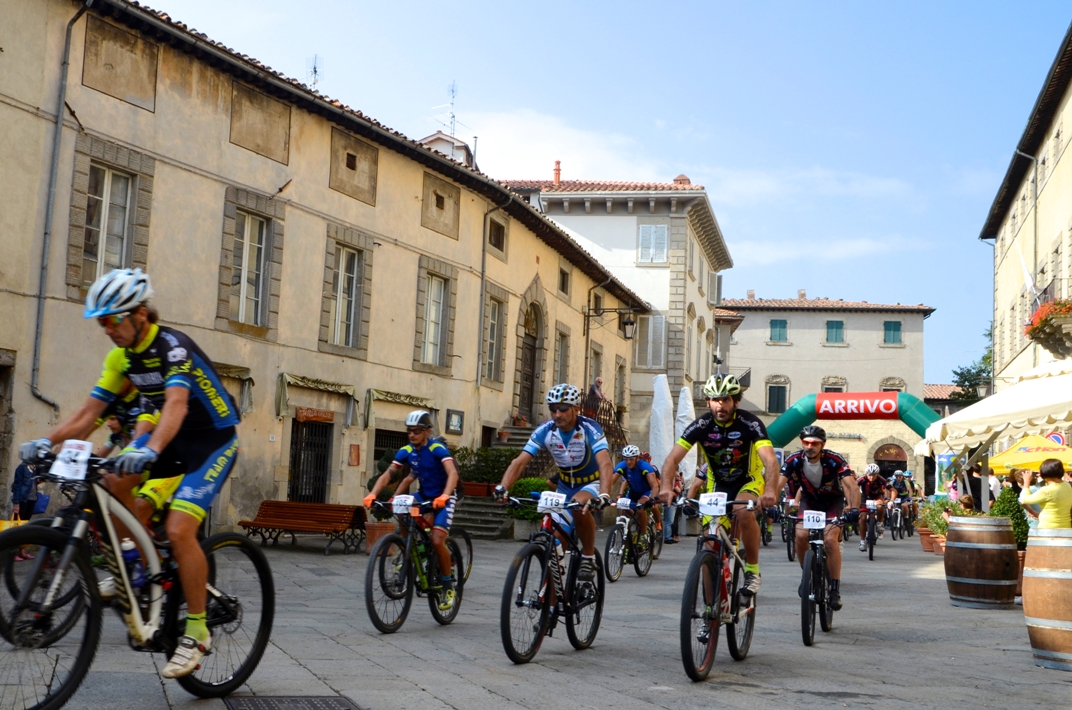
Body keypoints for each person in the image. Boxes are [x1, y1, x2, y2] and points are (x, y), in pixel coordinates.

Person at [18, 268, 240, 679]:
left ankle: (196, 631)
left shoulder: (174, 347)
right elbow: (89, 414)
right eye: (101, 321)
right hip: (168, 440)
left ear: (140, 313)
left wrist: (150, 449)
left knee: (178, 530)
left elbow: (175, 404)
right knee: (110, 485)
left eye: (112, 319)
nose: (106, 329)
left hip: (211, 442)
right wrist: (47, 441)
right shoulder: (121, 357)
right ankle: (136, 565)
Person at [661, 373, 780, 596]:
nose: (720, 405)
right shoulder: (701, 425)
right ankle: (709, 612)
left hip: (748, 481)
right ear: (708, 402)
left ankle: (753, 570)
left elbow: (770, 460)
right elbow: (672, 460)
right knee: (709, 546)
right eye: (715, 400)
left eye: (725, 399)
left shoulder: (750, 423)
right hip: (717, 486)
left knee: (742, 510)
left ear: (736, 401)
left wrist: (771, 490)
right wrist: (666, 487)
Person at [495, 384, 613, 582]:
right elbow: (520, 462)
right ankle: (552, 607)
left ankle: (589, 555)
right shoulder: (545, 430)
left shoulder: (590, 428)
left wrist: (604, 494)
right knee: (554, 552)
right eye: (553, 409)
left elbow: (605, 463)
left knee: (578, 505)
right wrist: (503, 487)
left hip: (590, 483)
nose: (557, 414)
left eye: (563, 409)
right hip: (564, 486)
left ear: (576, 409)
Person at [365, 410, 460, 610]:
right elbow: (388, 474)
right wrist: (374, 494)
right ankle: (408, 545)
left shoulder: (437, 448)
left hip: (444, 496)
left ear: (427, 432)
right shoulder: (407, 451)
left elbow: (452, 473)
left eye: (416, 431)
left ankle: (447, 584)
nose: (412, 434)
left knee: (436, 540)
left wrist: (444, 495)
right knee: (400, 506)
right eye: (409, 431)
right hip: (424, 495)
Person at [780, 426, 860, 611]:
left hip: (832, 502)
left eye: (814, 443)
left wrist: (854, 508)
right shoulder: (794, 459)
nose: (810, 446)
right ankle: (806, 576)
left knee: (830, 541)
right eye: (806, 443)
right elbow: (779, 482)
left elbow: (852, 486)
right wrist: (768, 503)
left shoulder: (834, 459)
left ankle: (834, 588)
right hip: (810, 501)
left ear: (822, 445)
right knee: (800, 536)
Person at [610, 445, 660, 546]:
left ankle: (643, 535)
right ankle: (627, 540)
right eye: (626, 459)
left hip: (646, 491)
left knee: (640, 508)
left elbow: (654, 485)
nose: (628, 462)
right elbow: (610, 482)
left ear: (637, 458)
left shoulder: (645, 467)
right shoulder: (622, 465)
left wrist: (653, 499)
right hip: (633, 492)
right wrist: (604, 495)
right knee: (624, 513)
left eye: (631, 459)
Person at [1021, 459, 1072, 529]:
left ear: (1044, 472)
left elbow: (1024, 500)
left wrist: (1026, 481)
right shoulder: (1067, 486)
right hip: (1066, 527)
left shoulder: (1047, 490)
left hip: (1048, 528)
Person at [10, 461, 38, 561]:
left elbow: (33, 484)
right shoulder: (21, 468)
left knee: (25, 528)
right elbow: (17, 486)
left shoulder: (35, 467)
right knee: (17, 528)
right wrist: (16, 504)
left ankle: (22, 552)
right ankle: (12, 553)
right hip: (23, 500)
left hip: (32, 500)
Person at [857, 463, 890, 548]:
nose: (871, 477)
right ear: (866, 474)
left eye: (874, 475)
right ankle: (862, 541)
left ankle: (879, 523)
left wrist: (891, 501)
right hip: (865, 497)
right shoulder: (862, 479)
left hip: (877, 496)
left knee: (880, 507)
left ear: (877, 474)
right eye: (869, 475)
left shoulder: (881, 479)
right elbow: (853, 488)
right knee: (863, 518)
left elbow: (892, 489)